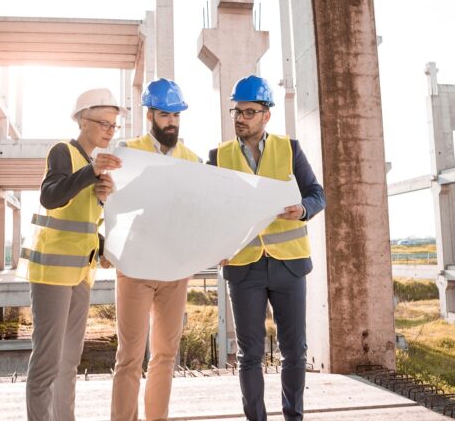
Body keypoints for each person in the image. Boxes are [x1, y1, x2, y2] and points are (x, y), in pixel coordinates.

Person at [208, 75, 325, 421]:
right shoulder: (218, 156)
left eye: (248, 111)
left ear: (265, 115)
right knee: (250, 354)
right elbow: (204, 208)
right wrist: (214, 244)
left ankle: (294, 417)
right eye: (237, 111)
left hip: (289, 265)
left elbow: (317, 194)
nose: (240, 118)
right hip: (244, 268)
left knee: (294, 352)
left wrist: (302, 210)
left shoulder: (289, 149)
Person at [24, 88, 123, 421]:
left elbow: (83, 225)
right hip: (52, 272)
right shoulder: (64, 151)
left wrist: (102, 199)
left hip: (81, 273)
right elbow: (50, 197)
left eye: (114, 125)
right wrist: (90, 174)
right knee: (47, 361)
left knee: (69, 361)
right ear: (82, 119)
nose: (110, 129)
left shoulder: (91, 165)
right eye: (103, 122)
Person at [111, 78, 202, 421]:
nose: (172, 122)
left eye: (176, 115)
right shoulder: (128, 151)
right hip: (135, 267)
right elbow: (113, 204)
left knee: (165, 355)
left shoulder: (191, 158)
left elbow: (200, 211)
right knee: (130, 356)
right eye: (165, 114)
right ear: (150, 114)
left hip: (175, 270)